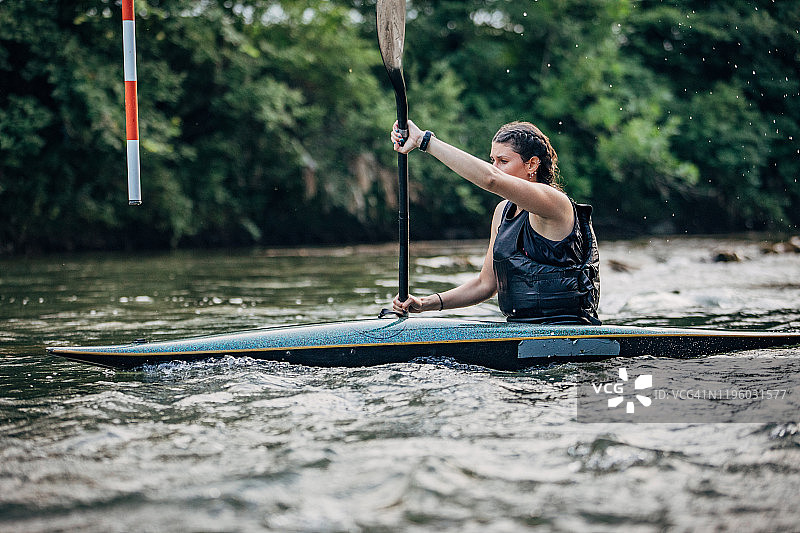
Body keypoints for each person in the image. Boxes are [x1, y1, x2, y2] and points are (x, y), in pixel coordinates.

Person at [390, 119, 601, 325]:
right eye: (493, 160)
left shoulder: (555, 204)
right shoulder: (502, 212)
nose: (496, 167)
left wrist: (423, 140)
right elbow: (485, 285)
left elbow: (491, 179)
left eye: (504, 161)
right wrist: (424, 303)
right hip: (519, 328)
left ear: (532, 164)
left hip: (566, 329)